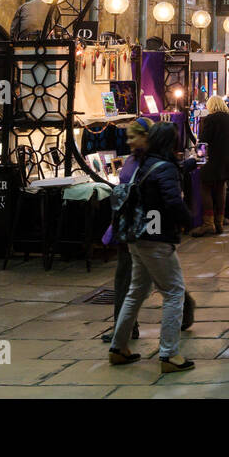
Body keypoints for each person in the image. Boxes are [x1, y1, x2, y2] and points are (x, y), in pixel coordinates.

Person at [108, 121, 195, 374]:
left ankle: (118, 347)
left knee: (136, 290)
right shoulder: (163, 167)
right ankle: (169, 354)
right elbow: (171, 201)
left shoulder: (142, 164)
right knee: (174, 291)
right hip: (156, 237)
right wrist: (188, 222)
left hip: (136, 235)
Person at [101, 116, 152, 344]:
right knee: (124, 277)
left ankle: (184, 309)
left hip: (147, 229)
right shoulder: (132, 159)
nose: (129, 141)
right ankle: (124, 326)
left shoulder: (153, 161)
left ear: (146, 137)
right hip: (127, 225)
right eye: (128, 137)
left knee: (167, 279)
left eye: (133, 137)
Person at [195, 95, 229, 236]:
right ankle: (219, 223)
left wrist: (199, 160)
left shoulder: (210, 119)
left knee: (205, 188)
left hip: (212, 160)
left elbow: (203, 141)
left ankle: (208, 224)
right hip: (227, 160)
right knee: (221, 189)